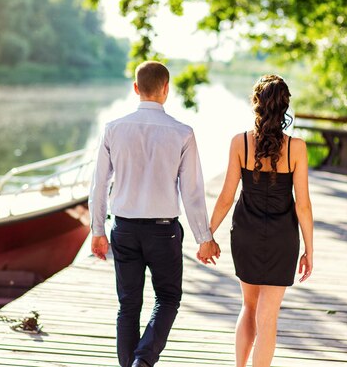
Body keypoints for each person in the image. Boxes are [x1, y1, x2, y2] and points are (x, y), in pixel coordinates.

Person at [89, 60, 221, 367]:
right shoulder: (182, 133)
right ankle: (143, 361)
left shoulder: (113, 129)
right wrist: (205, 238)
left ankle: (133, 364)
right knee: (168, 298)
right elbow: (192, 192)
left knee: (128, 305)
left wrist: (97, 230)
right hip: (163, 231)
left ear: (136, 88)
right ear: (166, 89)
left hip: (123, 229)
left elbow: (98, 185)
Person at [205, 74, 314, 367]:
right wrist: (309, 250)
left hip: (246, 234)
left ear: (256, 105)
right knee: (268, 317)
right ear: (285, 107)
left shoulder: (239, 143)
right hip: (282, 239)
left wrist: (207, 235)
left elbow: (226, 197)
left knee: (248, 306)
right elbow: (303, 205)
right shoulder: (297, 148)